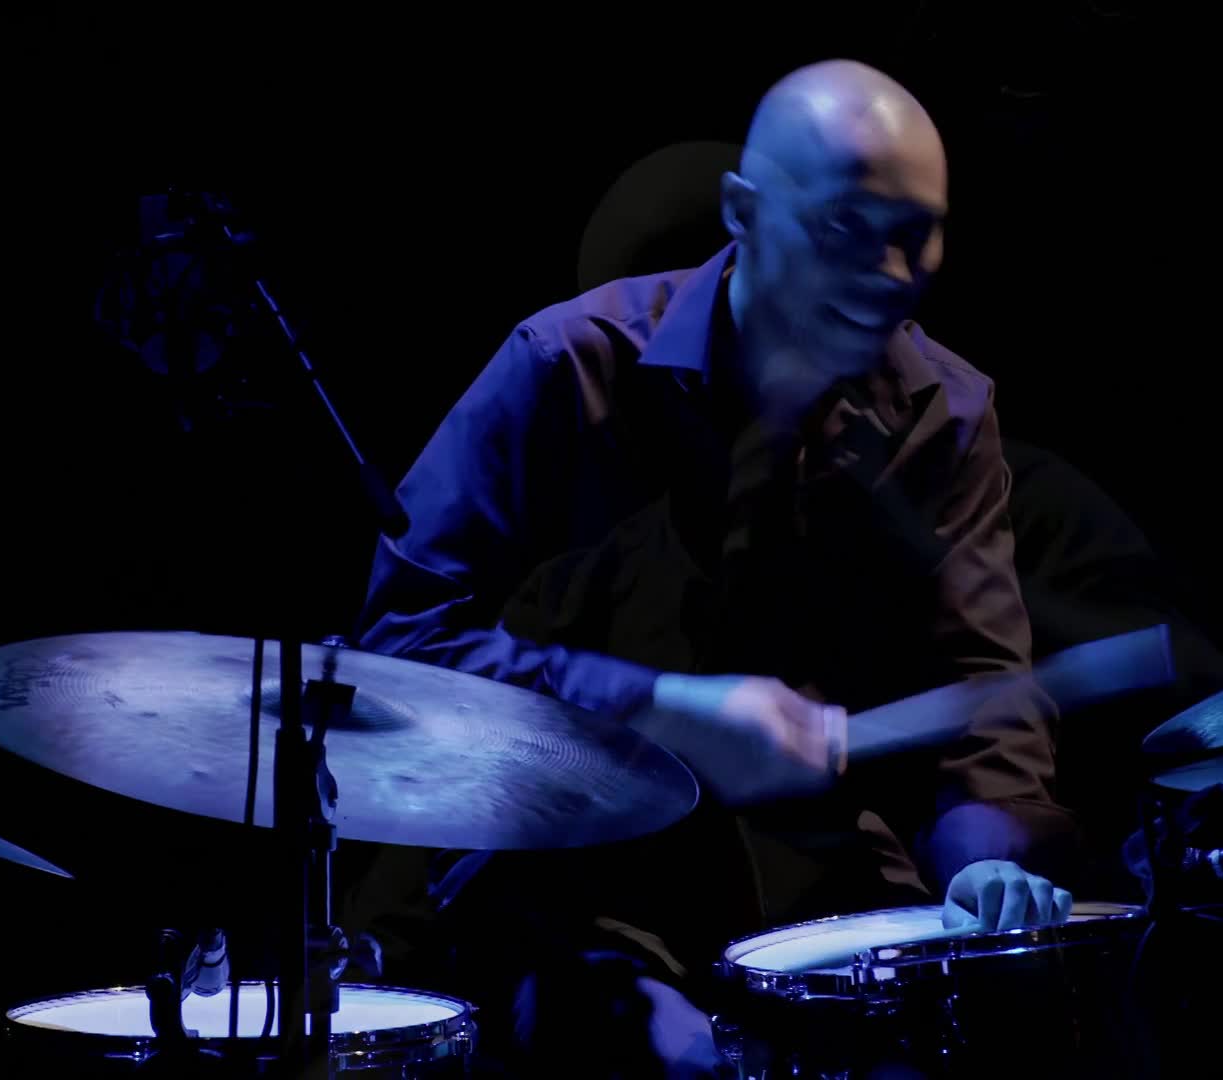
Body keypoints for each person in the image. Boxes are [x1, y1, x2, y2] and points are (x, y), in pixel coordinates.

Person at [352, 59, 1074, 1073]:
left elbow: (981, 700)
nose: (890, 272)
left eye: (917, 234)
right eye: (846, 228)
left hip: (825, 890)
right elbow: (401, 649)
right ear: (743, 211)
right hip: (574, 884)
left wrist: (980, 864)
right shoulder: (567, 368)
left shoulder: (947, 416)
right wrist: (660, 708)